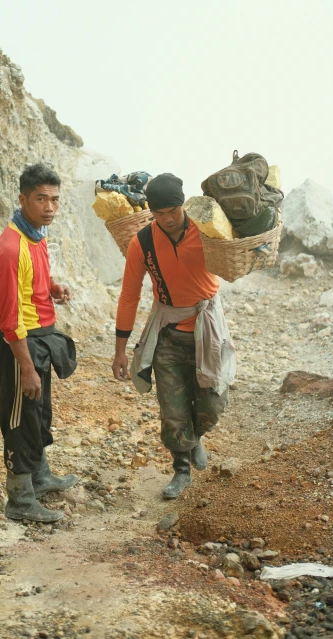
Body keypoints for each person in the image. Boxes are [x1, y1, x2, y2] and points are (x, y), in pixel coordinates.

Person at [112, 173, 236, 499]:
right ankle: (181, 469)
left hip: (205, 330)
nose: (167, 219)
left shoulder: (205, 231)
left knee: (213, 401)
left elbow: (236, 252)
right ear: (150, 212)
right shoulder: (143, 243)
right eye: (159, 213)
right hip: (167, 334)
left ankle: (196, 437)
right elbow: (128, 296)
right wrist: (120, 350)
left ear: (183, 205)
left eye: (173, 211)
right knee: (172, 409)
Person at [0, 163, 79, 523]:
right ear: (22, 198)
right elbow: (10, 320)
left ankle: (40, 479)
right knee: (20, 420)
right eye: (41, 199)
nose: (50, 207)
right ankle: (20, 500)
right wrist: (26, 368)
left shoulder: (36, 235)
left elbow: (32, 285)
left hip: (41, 339)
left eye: (55, 199)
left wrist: (51, 288)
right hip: (19, 346)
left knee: (39, 414)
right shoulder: (11, 248)